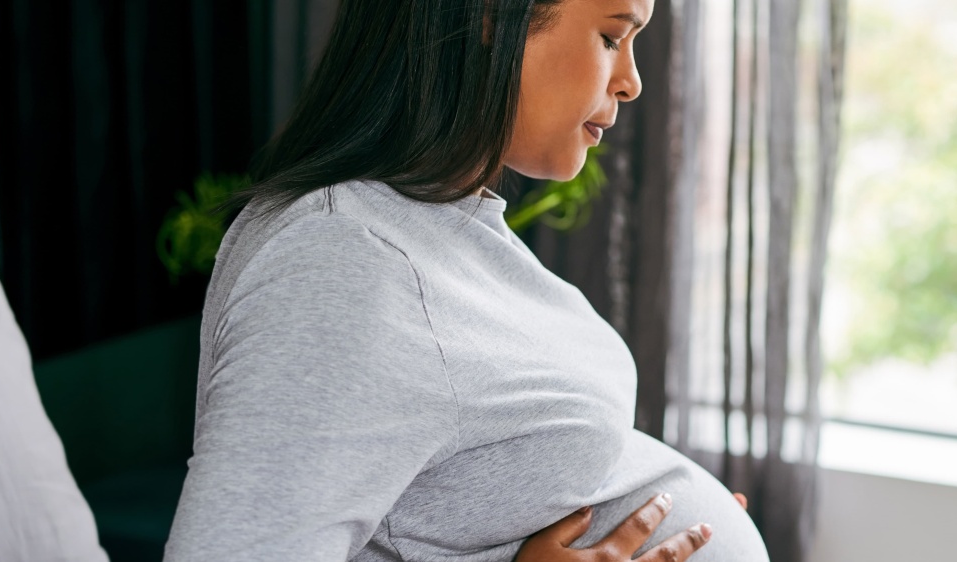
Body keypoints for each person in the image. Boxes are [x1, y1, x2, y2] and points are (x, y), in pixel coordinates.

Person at [162, 0, 770, 561]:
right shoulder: (341, 257)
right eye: (612, 37)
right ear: (491, 16)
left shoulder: (442, 225)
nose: (631, 81)